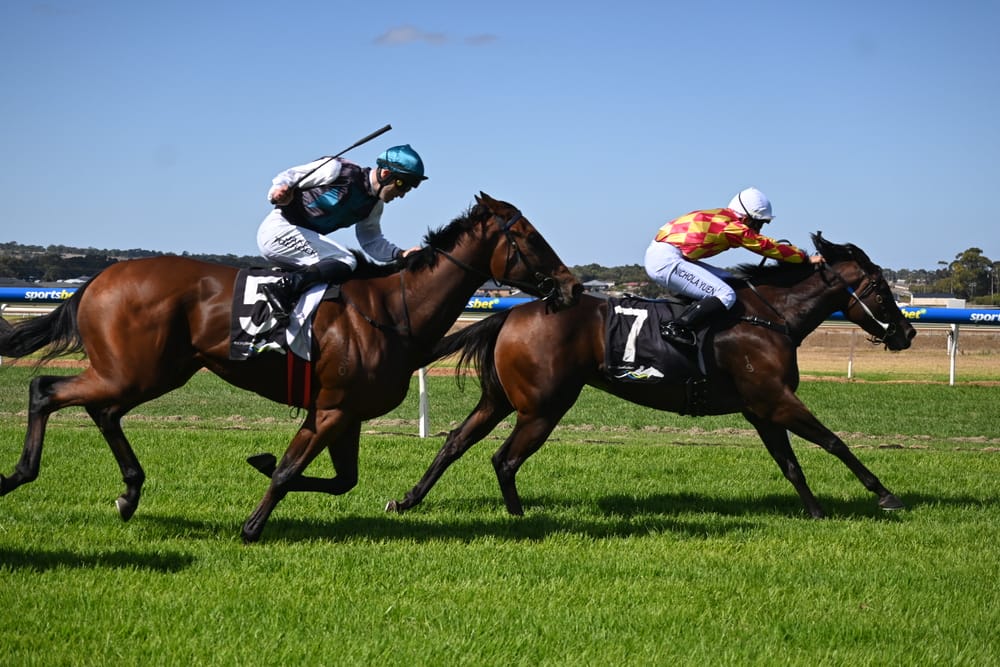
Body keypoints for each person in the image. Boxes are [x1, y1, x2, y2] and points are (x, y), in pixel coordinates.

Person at [256, 144, 428, 323]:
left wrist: (400, 254)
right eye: (402, 186)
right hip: (279, 231)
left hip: (298, 243)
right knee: (346, 260)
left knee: (340, 272)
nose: (402, 195)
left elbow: (371, 239)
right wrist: (279, 189)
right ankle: (282, 289)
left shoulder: (374, 205)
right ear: (385, 174)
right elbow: (291, 175)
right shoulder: (338, 169)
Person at [644, 186, 824, 346]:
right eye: (757, 223)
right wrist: (804, 258)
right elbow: (764, 245)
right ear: (745, 217)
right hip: (665, 260)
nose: (758, 229)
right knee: (725, 295)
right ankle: (677, 326)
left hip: (671, 254)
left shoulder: (722, 215)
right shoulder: (732, 226)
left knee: (732, 281)